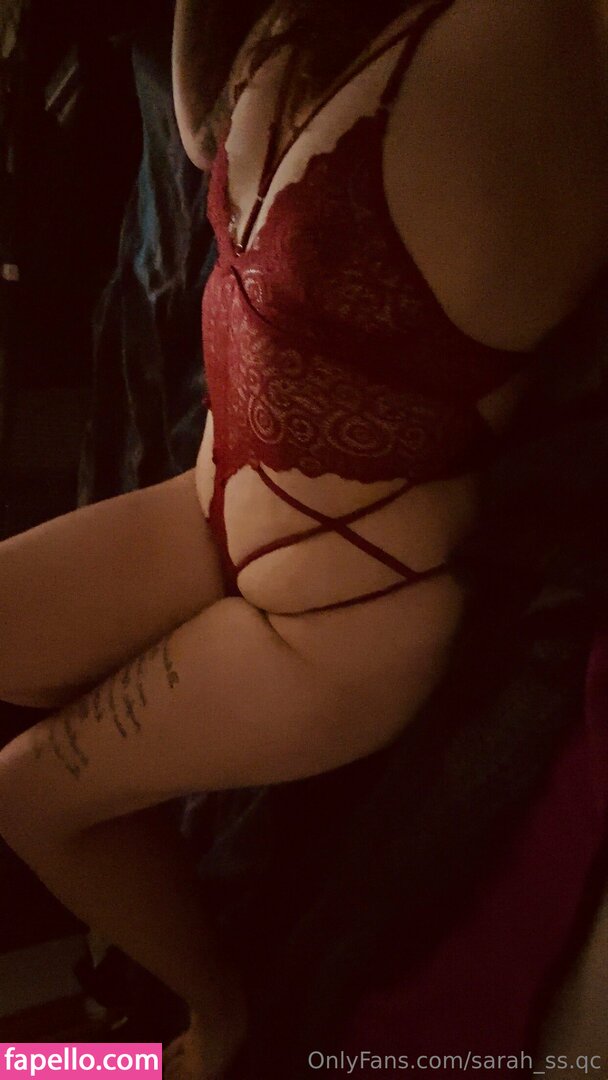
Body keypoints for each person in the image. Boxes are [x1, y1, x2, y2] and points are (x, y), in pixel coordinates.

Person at [0, 1, 607, 1076]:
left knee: (28, 794)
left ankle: (217, 1020)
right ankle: (138, 954)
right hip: (207, 503)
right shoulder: (331, 19)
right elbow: (201, 137)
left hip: (336, 614)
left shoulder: (537, 39)